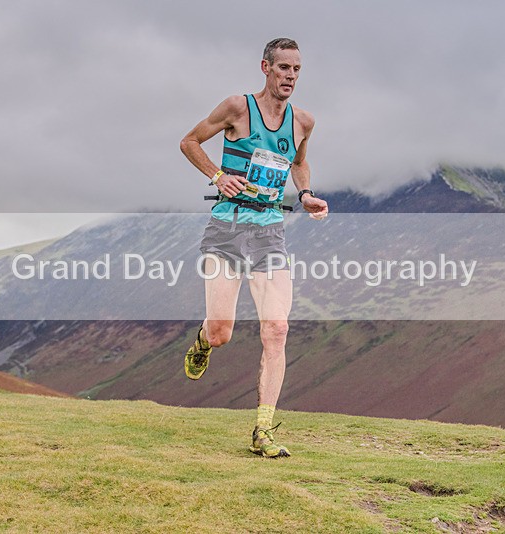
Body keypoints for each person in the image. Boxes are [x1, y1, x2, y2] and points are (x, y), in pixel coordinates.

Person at [179, 38, 328, 457]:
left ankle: (263, 430)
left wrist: (306, 194)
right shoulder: (237, 108)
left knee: (276, 328)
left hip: (268, 231)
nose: (290, 77)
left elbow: (298, 163)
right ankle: (204, 341)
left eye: (296, 70)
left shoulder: (303, 121)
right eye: (283, 68)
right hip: (227, 227)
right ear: (265, 67)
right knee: (223, 332)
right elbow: (189, 141)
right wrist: (216, 176)